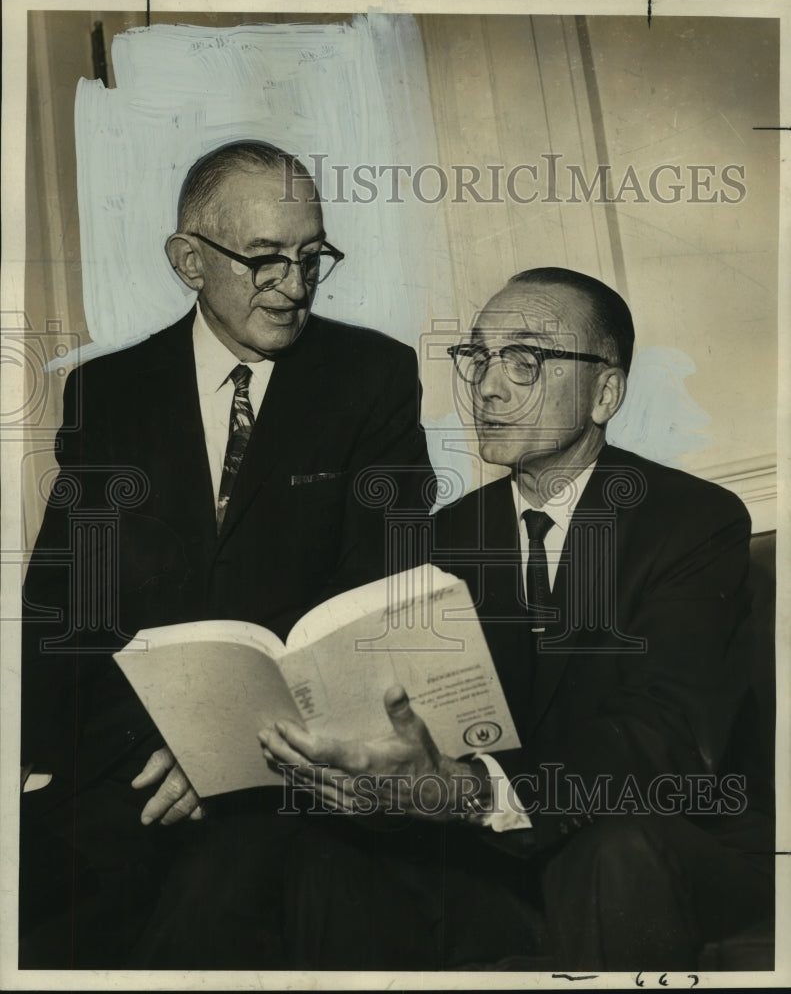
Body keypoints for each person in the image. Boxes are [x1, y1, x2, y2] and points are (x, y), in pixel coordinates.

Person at [261, 267, 774, 971]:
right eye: (476, 357)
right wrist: (372, 773)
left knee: (609, 849)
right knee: (327, 856)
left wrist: (472, 791)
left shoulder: (689, 521)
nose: (488, 388)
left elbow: (660, 734)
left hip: (665, 843)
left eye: (524, 360)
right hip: (500, 857)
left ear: (605, 392)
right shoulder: (439, 540)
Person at [19, 140, 434, 968]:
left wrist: (223, 745)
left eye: (312, 257)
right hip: (128, 767)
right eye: (263, 259)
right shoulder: (107, 394)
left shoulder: (372, 377)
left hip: (286, 771)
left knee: (198, 926)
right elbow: (63, 610)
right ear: (188, 260)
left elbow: (376, 596)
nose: (293, 286)